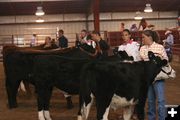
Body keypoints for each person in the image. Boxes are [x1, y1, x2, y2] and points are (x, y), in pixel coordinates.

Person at [139, 30, 168, 120]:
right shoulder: (142, 48)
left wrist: (153, 60)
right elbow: (141, 62)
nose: (142, 39)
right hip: (147, 79)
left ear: (150, 37)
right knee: (150, 101)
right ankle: (151, 118)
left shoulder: (159, 47)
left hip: (158, 77)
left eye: (143, 37)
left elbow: (165, 60)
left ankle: (161, 118)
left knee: (160, 100)